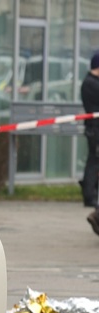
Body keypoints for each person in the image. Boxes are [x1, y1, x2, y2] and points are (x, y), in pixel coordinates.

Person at [83, 51, 99, 236]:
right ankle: (91, 197)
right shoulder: (91, 84)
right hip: (96, 131)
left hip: (95, 130)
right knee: (94, 164)